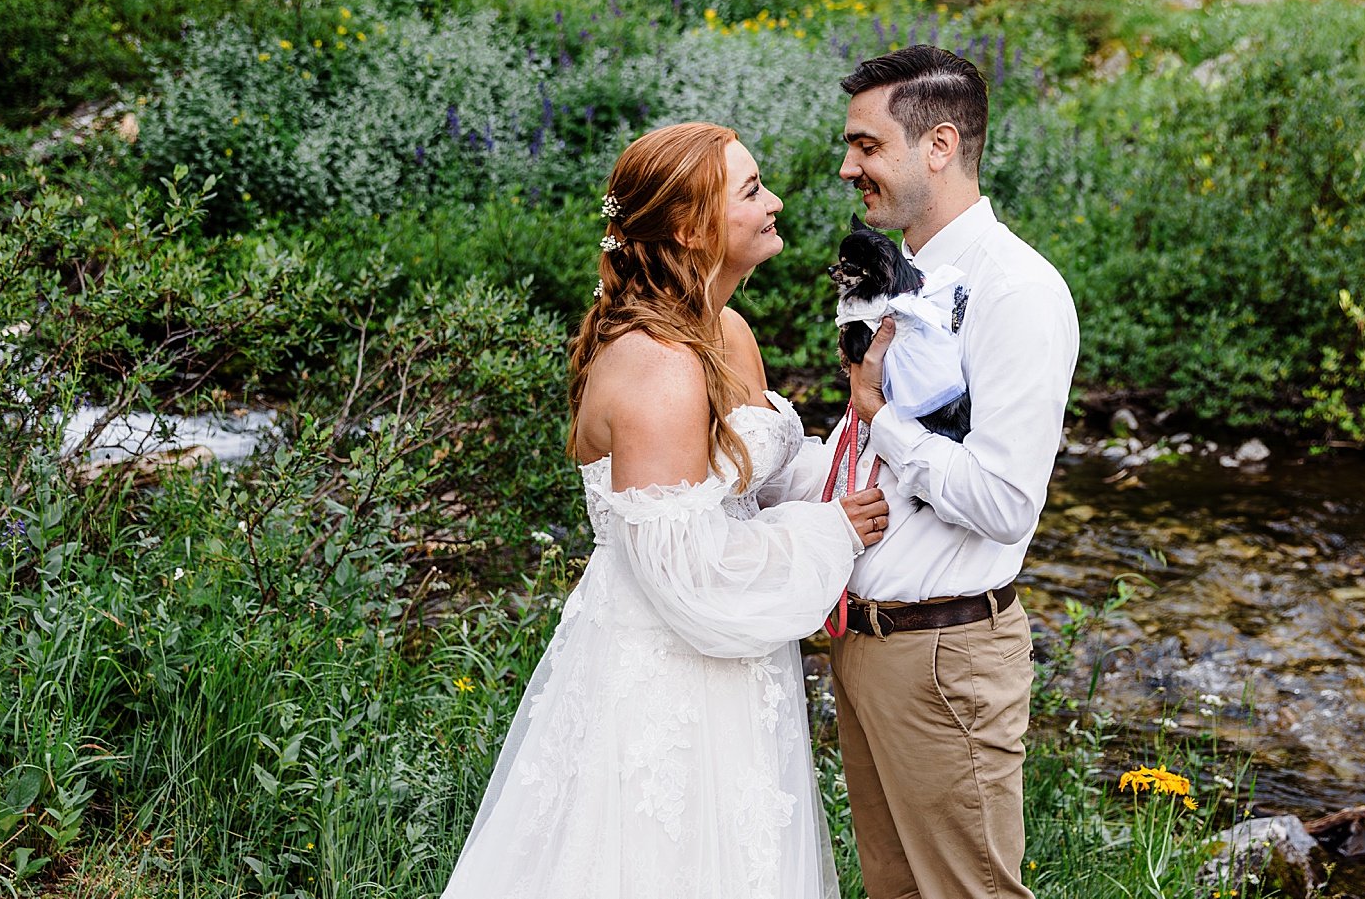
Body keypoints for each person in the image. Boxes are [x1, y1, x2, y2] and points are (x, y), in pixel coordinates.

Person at [441, 122, 891, 899]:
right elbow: (689, 575)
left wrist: (871, 415)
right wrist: (833, 532)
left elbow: (746, 481)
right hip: (670, 678)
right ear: (690, 226)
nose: (774, 200)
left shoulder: (726, 332)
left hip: (737, 671)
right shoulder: (658, 365)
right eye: (751, 190)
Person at [826, 46, 1079, 899]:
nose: (847, 164)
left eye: (866, 145)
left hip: (946, 652)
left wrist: (883, 418)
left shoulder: (1019, 293)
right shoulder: (887, 275)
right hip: (866, 643)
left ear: (938, 145)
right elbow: (864, 456)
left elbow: (1006, 503)